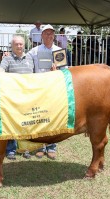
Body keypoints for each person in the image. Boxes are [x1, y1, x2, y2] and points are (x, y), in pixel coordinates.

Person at [27, 24, 65, 160]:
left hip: (53, 89)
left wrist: (57, 71)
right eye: (46, 33)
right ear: (41, 36)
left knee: (53, 118)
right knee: (38, 117)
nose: (49, 35)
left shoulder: (59, 50)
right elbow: (26, 66)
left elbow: (64, 70)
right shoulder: (34, 51)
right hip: (38, 89)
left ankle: (51, 147)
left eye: (51, 33)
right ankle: (39, 147)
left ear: (54, 35)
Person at [0, 35, 34, 160]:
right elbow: (0, 72)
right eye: (16, 44)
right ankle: (11, 149)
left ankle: (26, 149)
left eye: (21, 44)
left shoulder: (30, 57)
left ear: (24, 45)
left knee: (27, 123)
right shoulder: (7, 59)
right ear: (12, 46)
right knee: (12, 123)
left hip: (28, 97)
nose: (19, 46)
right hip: (12, 98)